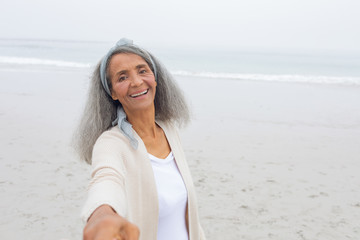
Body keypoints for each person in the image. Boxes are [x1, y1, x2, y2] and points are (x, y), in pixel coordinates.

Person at [73, 38, 206, 240]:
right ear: (112, 93)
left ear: (155, 78)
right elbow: (106, 179)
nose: (136, 82)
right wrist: (101, 215)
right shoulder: (111, 143)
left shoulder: (169, 129)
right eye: (122, 77)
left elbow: (188, 219)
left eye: (142, 70)